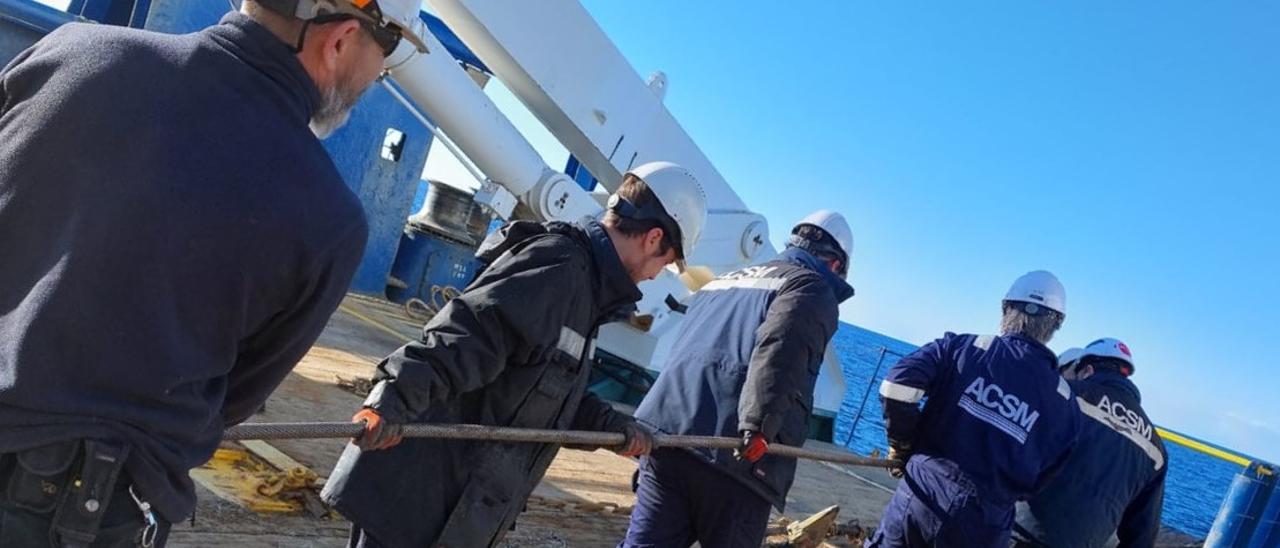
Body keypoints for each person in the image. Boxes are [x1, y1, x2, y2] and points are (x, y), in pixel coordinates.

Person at [0, 1, 421, 544]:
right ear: (340, 40)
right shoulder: (328, 219)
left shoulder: (70, 53)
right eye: (384, 57)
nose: (375, 77)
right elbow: (233, 398)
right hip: (63, 512)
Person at [320, 162, 709, 548]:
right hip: (417, 499)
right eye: (667, 260)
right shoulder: (560, 267)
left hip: (455, 508)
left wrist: (616, 429)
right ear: (654, 237)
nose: (659, 275)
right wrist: (390, 400)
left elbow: (551, 393)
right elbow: (465, 335)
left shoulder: (587, 292)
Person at [617, 210, 856, 548]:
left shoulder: (723, 282)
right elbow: (781, 349)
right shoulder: (810, 287)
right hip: (735, 459)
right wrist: (758, 426)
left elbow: (685, 350)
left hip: (667, 439)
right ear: (835, 266)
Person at [866, 271, 1082, 547]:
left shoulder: (964, 348)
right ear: (1056, 325)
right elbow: (1046, 475)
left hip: (922, 495)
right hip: (986, 524)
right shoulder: (1065, 405)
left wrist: (904, 442)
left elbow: (895, 386)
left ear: (1005, 309)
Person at [1013, 338, 1168, 548]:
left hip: (1018, 534)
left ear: (1087, 370)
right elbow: (1141, 537)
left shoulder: (1065, 395)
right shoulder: (1156, 450)